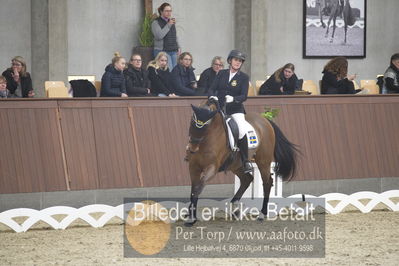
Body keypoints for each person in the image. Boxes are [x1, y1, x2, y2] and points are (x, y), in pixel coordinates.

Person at [208, 50, 252, 173]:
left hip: (235, 109)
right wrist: (212, 97)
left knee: (242, 130)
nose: (238, 62)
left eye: (240, 61)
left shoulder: (243, 77)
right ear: (230, 61)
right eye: (236, 60)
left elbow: (244, 96)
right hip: (220, 107)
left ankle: (245, 160)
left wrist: (234, 99)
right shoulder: (221, 74)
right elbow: (211, 89)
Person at [151, 2, 180, 70]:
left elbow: (174, 36)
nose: (169, 13)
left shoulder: (171, 22)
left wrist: (178, 47)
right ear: (161, 11)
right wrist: (168, 25)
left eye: (170, 11)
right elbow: (159, 36)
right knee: (168, 70)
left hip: (173, 51)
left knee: (175, 71)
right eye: (166, 11)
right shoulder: (156, 22)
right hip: (162, 51)